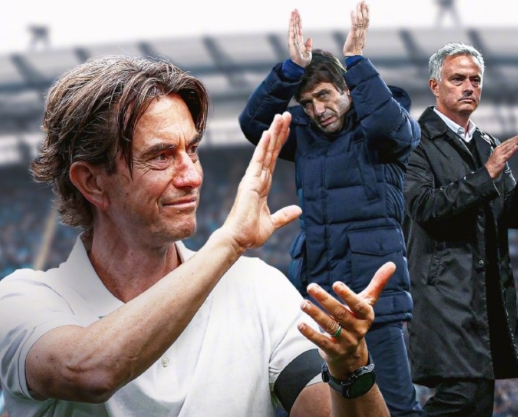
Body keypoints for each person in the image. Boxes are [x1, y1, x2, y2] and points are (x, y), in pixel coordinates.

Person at [0, 55, 394, 417]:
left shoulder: (259, 289)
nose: (192, 176)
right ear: (92, 182)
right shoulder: (22, 300)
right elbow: (90, 371)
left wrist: (351, 369)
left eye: (192, 150)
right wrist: (229, 242)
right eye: (161, 156)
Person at [239, 2, 424, 416]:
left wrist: (355, 59)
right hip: (319, 291)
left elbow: (389, 126)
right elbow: (253, 125)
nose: (317, 110)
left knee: (396, 406)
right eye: (306, 102)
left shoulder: (384, 129)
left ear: (348, 90)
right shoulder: (304, 134)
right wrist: (290, 69)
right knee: (334, 408)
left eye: (324, 95)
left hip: (372, 300)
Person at [403, 41, 518, 416]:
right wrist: (486, 175)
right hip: (443, 294)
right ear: (435, 86)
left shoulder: (487, 143)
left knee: (477, 401)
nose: (469, 87)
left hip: (484, 296)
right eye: (457, 79)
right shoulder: (414, 141)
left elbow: (511, 217)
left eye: (475, 80)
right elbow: (423, 207)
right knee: (461, 395)